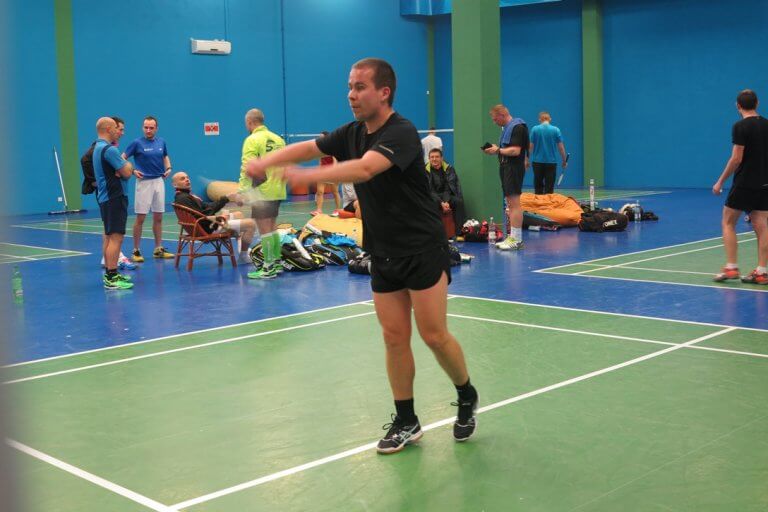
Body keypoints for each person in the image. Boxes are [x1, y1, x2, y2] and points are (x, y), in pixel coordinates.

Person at [247, 58, 479, 454]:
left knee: (434, 335)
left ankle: (465, 393)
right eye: (350, 87)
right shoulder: (351, 132)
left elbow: (366, 169)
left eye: (360, 87)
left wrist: (307, 176)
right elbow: (310, 147)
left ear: (384, 92)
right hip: (382, 249)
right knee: (393, 338)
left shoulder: (401, 132)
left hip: (422, 247)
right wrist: (268, 162)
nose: (351, 95)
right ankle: (406, 420)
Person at [712, 89, 768, 285]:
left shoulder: (740, 126)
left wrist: (720, 181)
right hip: (765, 182)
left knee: (728, 222)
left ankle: (731, 268)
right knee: (762, 225)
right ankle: (762, 272)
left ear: (738, 106)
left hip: (745, 182)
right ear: (757, 103)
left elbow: (736, 158)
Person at [238, 108, 287, 279]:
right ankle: (277, 263)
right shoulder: (279, 139)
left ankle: (268, 267)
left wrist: (242, 191)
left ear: (249, 122)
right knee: (272, 227)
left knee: (264, 229)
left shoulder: (252, 140)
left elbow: (248, 166)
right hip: (278, 188)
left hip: (262, 191)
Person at [171, 172, 257, 262]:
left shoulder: (185, 196)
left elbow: (207, 207)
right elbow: (203, 216)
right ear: (175, 184)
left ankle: (241, 247)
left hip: (206, 225)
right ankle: (243, 255)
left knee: (238, 214)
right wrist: (219, 218)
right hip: (209, 228)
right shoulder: (184, 198)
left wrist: (226, 198)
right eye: (182, 179)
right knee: (251, 224)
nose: (187, 180)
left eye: (187, 177)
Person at [123, 116, 174, 262]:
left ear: (156, 128)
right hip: (143, 183)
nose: (148, 130)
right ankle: (136, 250)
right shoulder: (136, 143)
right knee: (141, 218)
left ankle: (158, 249)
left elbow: (165, 156)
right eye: (146, 127)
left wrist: (168, 168)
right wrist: (133, 170)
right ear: (142, 128)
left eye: (151, 128)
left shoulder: (161, 142)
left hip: (159, 181)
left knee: (158, 217)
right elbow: (122, 158)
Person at [93, 117, 134, 289]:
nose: (120, 132)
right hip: (114, 197)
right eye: (117, 128)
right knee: (116, 238)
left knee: (111, 237)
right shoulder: (109, 150)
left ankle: (112, 274)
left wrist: (122, 168)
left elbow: (121, 171)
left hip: (106, 198)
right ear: (109, 129)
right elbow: (127, 172)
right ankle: (111, 277)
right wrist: (127, 165)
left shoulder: (97, 147)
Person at [484, 104, 529, 250]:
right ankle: (512, 237)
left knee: (515, 204)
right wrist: (497, 150)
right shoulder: (507, 129)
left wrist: (498, 150)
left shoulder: (517, 128)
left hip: (513, 168)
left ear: (502, 115)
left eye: (495, 119)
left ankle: (517, 239)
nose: (494, 122)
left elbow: (515, 151)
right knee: (510, 203)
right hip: (505, 167)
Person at [426, 148, 465, 236]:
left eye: (437, 157)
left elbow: (449, 188)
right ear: (429, 159)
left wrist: (446, 201)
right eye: (432, 157)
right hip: (431, 197)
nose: (434, 159)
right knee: (432, 204)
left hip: (447, 196)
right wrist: (441, 203)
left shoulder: (449, 169)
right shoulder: (424, 171)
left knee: (458, 202)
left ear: (441, 158)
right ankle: (435, 235)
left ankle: (459, 234)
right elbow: (429, 190)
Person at [529, 111, 567, 194]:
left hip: (537, 163)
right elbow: (561, 148)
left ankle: (539, 201)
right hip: (551, 163)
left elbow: (530, 147)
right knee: (549, 189)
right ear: (550, 119)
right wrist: (564, 160)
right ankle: (548, 202)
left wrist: (526, 159)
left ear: (539, 119)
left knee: (538, 188)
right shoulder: (556, 130)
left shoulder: (535, 129)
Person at [311, 132, 342, 216]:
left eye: (322, 137)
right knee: (319, 192)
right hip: (323, 172)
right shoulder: (319, 148)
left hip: (332, 172)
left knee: (335, 192)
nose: (319, 138)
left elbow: (335, 161)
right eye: (319, 137)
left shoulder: (332, 148)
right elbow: (320, 161)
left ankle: (337, 209)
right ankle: (319, 210)